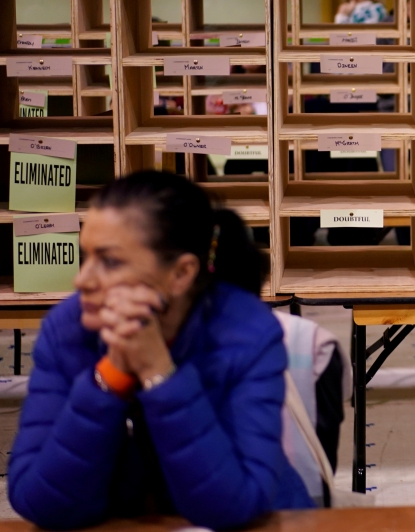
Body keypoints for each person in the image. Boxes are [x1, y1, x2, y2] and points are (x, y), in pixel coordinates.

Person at [8, 171, 313, 529]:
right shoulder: (69, 328)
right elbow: (39, 503)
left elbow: (232, 508)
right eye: (84, 256)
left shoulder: (248, 334)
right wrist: (110, 376)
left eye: (109, 261)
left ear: (181, 273)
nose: (82, 280)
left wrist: (159, 374)